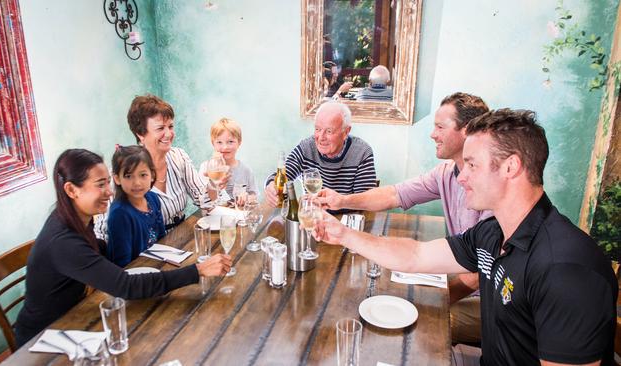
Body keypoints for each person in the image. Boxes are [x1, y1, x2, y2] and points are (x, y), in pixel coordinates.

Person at [313, 109, 618, 365]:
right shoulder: (493, 232)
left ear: (511, 167)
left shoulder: (566, 269)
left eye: (472, 165)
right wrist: (341, 234)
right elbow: (416, 255)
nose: (461, 176)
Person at [318, 92, 490, 344]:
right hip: (461, 281)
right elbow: (392, 194)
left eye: (440, 127)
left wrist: (437, 298)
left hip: (488, 301)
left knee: (423, 328)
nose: (432, 134)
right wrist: (343, 200)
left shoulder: (490, 188)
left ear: (467, 131)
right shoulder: (446, 173)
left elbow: (479, 274)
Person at [14, 149, 231, 347]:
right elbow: (126, 286)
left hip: (78, 315)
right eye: (100, 184)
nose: (109, 192)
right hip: (48, 337)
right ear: (71, 190)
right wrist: (198, 271)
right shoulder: (63, 241)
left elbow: (97, 251)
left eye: (108, 182)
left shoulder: (75, 217)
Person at [95, 94, 222, 240]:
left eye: (170, 126)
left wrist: (213, 183)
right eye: (161, 128)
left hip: (183, 242)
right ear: (141, 134)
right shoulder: (123, 174)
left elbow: (203, 201)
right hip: (145, 254)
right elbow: (102, 232)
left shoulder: (178, 157)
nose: (168, 134)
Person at [263, 101, 377, 208]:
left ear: (346, 132)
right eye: (317, 129)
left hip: (348, 221)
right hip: (314, 218)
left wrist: (341, 201)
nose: (321, 137)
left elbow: (366, 200)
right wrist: (270, 185)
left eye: (329, 131)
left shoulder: (361, 152)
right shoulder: (306, 147)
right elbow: (283, 175)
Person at [107, 145, 166, 267]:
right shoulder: (120, 214)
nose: (137, 183)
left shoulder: (153, 199)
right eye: (128, 176)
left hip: (158, 265)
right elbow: (123, 263)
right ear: (117, 179)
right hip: (133, 277)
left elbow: (162, 239)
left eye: (143, 175)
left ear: (152, 175)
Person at [199, 117, 257, 200]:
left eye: (230, 142)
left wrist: (247, 197)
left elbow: (254, 195)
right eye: (219, 142)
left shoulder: (246, 170)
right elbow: (202, 198)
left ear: (239, 142)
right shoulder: (206, 168)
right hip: (214, 212)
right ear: (213, 143)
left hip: (238, 212)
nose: (225, 147)